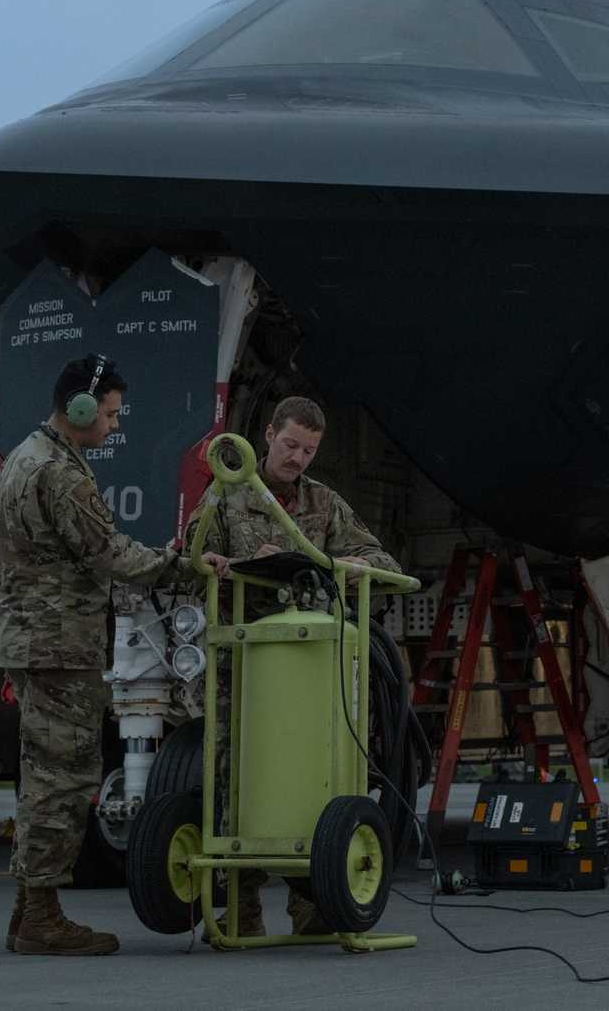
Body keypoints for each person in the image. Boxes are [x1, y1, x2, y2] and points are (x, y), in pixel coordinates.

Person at [0, 353, 227, 956]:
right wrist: (183, 566)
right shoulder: (62, 474)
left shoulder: (22, 457)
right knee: (65, 779)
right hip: (60, 642)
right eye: (113, 415)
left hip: (28, 635)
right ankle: (42, 916)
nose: (116, 427)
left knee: (41, 774)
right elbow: (109, 552)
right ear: (81, 408)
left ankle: (27, 911)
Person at [186, 396, 400, 940]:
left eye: (309, 450)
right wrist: (219, 567)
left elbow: (382, 561)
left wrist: (344, 567)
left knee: (318, 772)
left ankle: (316, 901)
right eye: (290, 445)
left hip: (311, 669)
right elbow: (188, 562)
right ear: (268, 435)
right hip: (244, 663)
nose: (299, 458)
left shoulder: (324, 504)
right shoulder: (227, 495)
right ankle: (241, 907)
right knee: (234, 775)